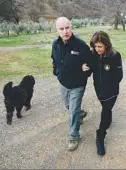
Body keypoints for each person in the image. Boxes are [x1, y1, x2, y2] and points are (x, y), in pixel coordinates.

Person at [51, 17, 92, 151]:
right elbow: (54, 59)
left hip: (77, 84)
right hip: (63, 83)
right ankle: (79, 114)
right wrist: (56, 72)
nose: (65, 31)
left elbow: (91, 63)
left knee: (72, 110)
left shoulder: (81, 45)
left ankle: (74, 136)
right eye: (61, 29)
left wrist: (87, 69)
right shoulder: (55, 44)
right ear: (57, 30)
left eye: (67, 28)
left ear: (71, 27)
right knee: (68, 106)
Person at [82, 30, 123, 156]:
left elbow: (119, 76)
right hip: (99, 90)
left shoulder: (115, 55)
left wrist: (110, 84)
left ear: (106, 44)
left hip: (111, 91)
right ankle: (108, 118)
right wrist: (84, 69)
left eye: (100, 46)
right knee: (106, 109)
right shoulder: (92, 54)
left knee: (106, 109)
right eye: (95, 46)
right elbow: (88, 73)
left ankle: (100, 136)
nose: (97, 49)